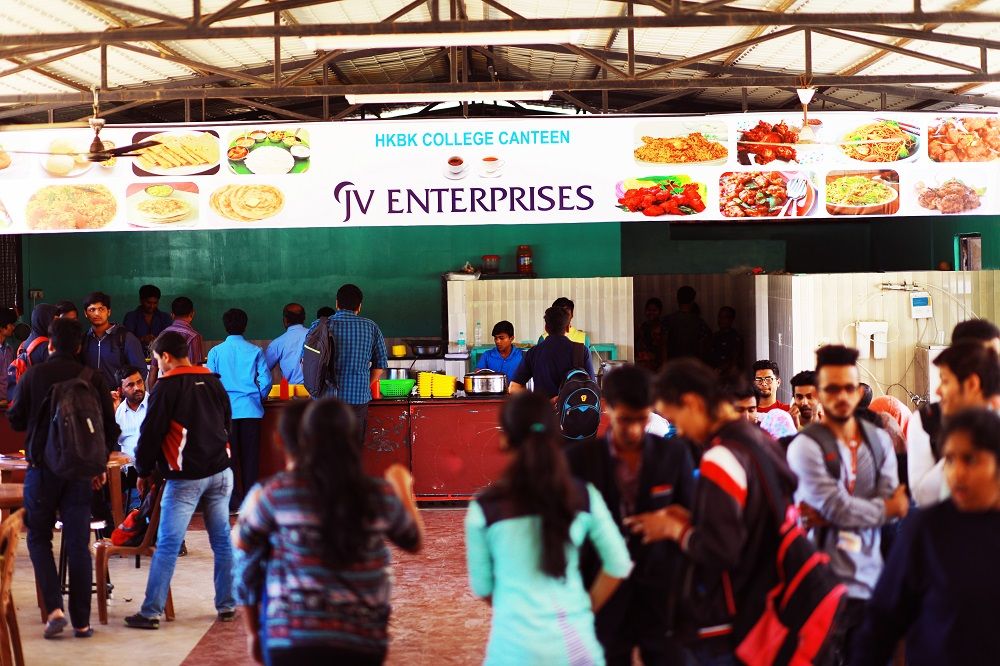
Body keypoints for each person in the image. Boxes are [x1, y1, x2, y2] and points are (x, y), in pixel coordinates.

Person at [624, 358, 798, 666]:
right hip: (772, 597)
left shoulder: (720, 455)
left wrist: (674, 530)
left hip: (738, 613)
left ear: (691, 403)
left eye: (674, 414)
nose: (678, 429)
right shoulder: (756, 441)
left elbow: (721, 550)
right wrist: (693, 519)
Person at [234, 398, 423, 665]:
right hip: (363, 643)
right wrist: (403, 487)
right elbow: (413, 541)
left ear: (305, 441)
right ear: (352, 439)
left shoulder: (279, 492)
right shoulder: (378, 493)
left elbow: (243, 545)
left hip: (291, 639)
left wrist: (254, 632)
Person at [465, 392, 631, 665]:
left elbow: (483, 586)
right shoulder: (583, 496)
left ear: (505, 438)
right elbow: (619, 564)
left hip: (511, 650)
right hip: (577, 649)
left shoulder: (485, 507)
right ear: (555, 434)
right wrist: (586, 608)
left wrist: (515, 610)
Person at [564, 364, 694, 665]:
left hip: (662, 589)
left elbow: (693, 514)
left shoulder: (674, 455)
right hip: (600, 587)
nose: (634, 430)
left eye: (641, 419)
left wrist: (670, 524)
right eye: (625, 421)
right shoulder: (580, 462)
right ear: (608, 408)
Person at [785, 345, 906, 665]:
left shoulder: (878, 440)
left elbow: (892, 505)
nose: (841, 396)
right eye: (832, 389)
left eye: (848, 388)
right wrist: (879, 508)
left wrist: (836, 514)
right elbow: (872, 507)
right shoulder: (804, 446)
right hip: (820, 584)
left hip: (870, 582)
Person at [853, 409, 1000, 666]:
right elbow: (882, 620)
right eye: (950, 460)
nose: (957, 473)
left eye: (970, 459)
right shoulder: (925, 529)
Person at [8, 317, 118, 639]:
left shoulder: (35, 375)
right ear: (80, 346)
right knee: (77, 543)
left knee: (39, 538)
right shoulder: (93, 378)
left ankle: (54, 610)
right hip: (81, 473)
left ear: (51, 344)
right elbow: (110, 431)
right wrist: (96, 464)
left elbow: (15, 420)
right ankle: (82, 622)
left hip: (42, 471)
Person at [125, 331, 235, 630]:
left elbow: (150, 435)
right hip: (221, 473)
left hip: (186, 478)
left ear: (166, 357)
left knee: (168, 544)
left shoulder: (167, 387)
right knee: (222, 540)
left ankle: (151, 612)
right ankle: (227, 605)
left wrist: (144, 472)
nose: (157, 366)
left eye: (157, 360)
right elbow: (227, 422)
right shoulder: (213, 380)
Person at [908, 342, 1000, 507]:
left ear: (972, 384)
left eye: (945, 381)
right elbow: (923, 496)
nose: (937, 391)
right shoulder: (926, 420)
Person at [206, 308, 270, 513]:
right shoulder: (255, 351)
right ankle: (252, 503)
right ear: (245, 326)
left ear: (225, 326)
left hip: (226, 414)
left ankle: (234, 502)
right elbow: (266, 381)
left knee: (229, 459)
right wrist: (258, 397)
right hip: (251, 411)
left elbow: (210, 382)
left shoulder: (215, 352)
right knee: (251, 459)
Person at [318, 284, 388, 443]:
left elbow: (305, 364)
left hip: (325, 401)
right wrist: (365, 384)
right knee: (352, 453)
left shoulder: (320, 325)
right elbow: (380, 365)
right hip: (357, 400)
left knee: (324, 454)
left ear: (337, 303)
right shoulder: (371, 327)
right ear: (359, 306)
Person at [509, 306, 595, 399]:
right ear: (567, 327)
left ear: (546, 328)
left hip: (544, 411)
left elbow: (513, 388)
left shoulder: (533, 353)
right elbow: (592, 388)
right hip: (575, 411)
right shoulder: (581, 350)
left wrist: (539, 401)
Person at [80, 291, 147, 390]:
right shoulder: (83, 339)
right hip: (91, 398)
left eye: (101, 309)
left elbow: (141, 371)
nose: (97, 313)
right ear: (85, 313)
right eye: (92, 310)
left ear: (109, 312)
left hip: (118, 399)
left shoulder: (126, 338)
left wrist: (125, 395)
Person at [146, 296, 203, 392]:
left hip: (166, 390)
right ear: (192, 313)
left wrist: (153, 396)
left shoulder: (162, 335)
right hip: (185, 391)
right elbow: (195, 369)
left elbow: (153, 370)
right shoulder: (194, 337)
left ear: (172, 315)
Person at [112, 365, 148, 513]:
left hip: (155, 473)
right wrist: (112, 414)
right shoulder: (118, 411)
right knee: (134, 518)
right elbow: (114, 441)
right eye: (130, 385)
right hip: (131, 476)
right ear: (120, 390)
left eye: (139, 382)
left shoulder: (156, 405)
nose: (137, 388)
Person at [6, 303, 57, 396]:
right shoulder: (45, 347)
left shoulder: (26, 342)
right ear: (45, 320)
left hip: (27, 397)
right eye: (53, 319)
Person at [661, 286, 710, 362]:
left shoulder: (667, 320)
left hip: (673, 365)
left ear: (677, 299)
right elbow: (702, 349)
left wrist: (664, 365)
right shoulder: (700, 322)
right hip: (692, 365)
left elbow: (664, 345)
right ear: (692, 301)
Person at [265, 303, 308, 385]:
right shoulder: (315, 336)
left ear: (285, 320)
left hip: (291, 394)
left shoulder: (277, 344)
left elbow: (263, 370)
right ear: (304, 318)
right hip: (317, 394)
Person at [122, 285, 172, 354]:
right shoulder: (131, 317)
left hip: (159, 359)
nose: (152, 306)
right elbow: (125, 340)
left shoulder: (165, 317)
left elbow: (170, 340)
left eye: (155, 303)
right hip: (135, 358)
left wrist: (157, 340)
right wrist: (142, 339)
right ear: (141, 300)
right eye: (148, 303)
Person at [708, 306, 744, 377]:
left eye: (725, 317)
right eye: (720, 317)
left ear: (731, 320)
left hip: (727, 376)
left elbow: (734, 360)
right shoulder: (715, 336)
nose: (721, 320)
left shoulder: (735, 338)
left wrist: (720, 370)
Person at [635, 297, 664, 372]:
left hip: (658, 364)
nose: (651, 313)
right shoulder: (641, 327)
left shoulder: (663, 328)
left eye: (654, 310)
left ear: (660, 312)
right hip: (644, 365)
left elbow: (664, 348)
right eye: (649, 310)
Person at [0, 308, 16, 406]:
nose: (13, 327)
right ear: (1, 327)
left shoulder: (10, 349)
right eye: (11, 324)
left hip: (9, 402)